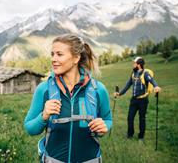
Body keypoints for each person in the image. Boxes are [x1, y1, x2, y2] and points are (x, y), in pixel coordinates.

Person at [24, 34, 112, 163]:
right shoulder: (44, 89)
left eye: (59, 54)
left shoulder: (98, 90)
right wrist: (43, 115)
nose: (53, 59)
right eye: (52, 54)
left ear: (76, 58)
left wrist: (104, 127)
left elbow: (108, 119)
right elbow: (30, 128)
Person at [114, 57, 161, 141]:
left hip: (143, 100)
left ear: (139, 65)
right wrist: (120, 93)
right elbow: (128, 85)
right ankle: (130, 134)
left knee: (142, 118)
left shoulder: (145, 74)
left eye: (134, 63)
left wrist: (156, 86)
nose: (133, 65)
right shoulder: (133, 73)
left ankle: (141, 137)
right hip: (134, 100)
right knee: (130, 117)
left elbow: (152, 80)